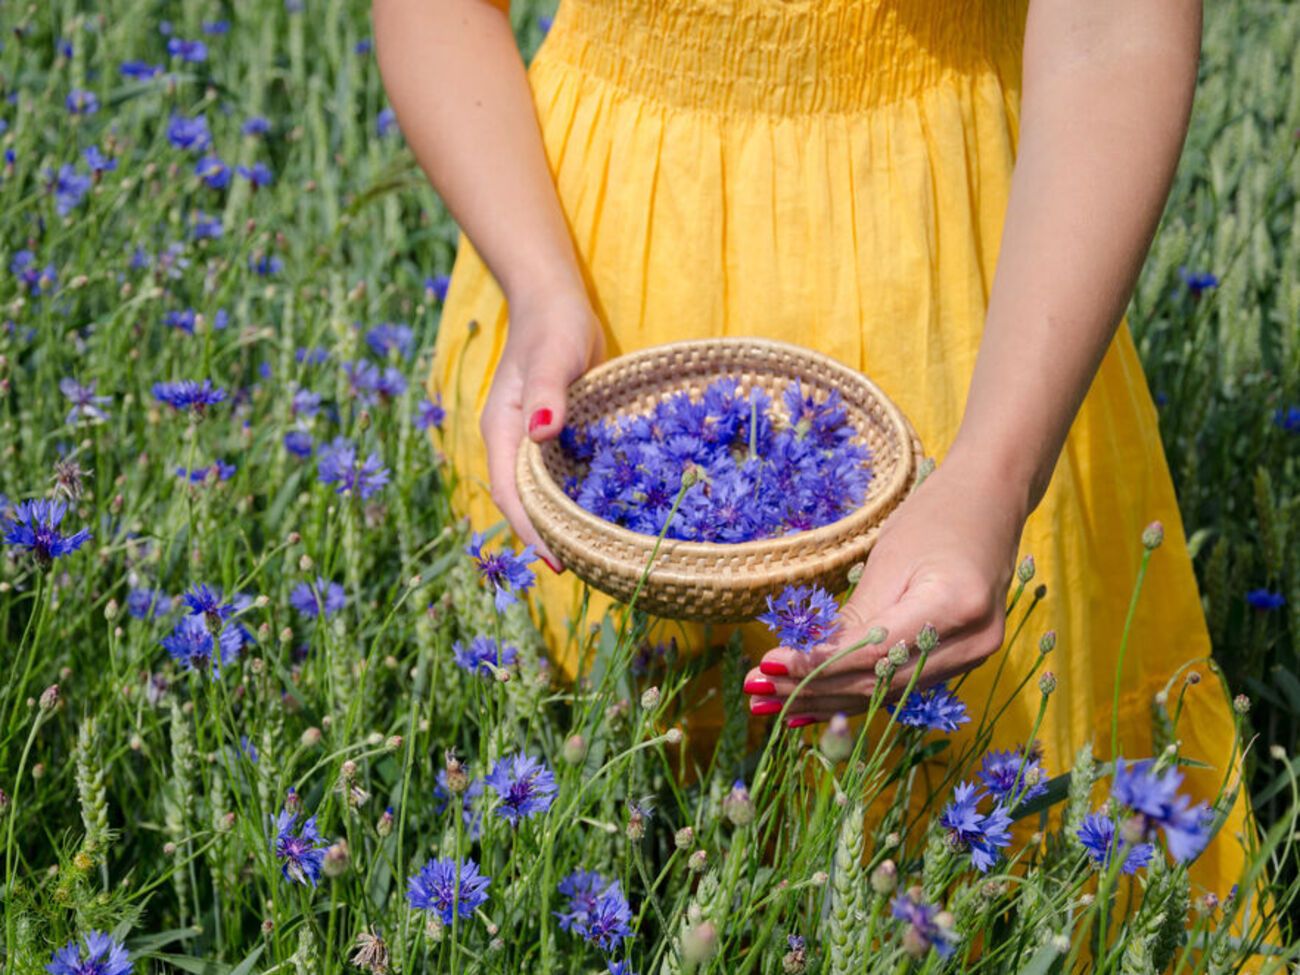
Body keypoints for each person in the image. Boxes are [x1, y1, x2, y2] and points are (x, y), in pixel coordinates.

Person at [374, 0, 1252, 897]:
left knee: (970, 855)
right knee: (595, 822)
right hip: (589, 295)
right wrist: (537, 283)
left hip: (970, 327)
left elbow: (1113, 31)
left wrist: (993, 473)